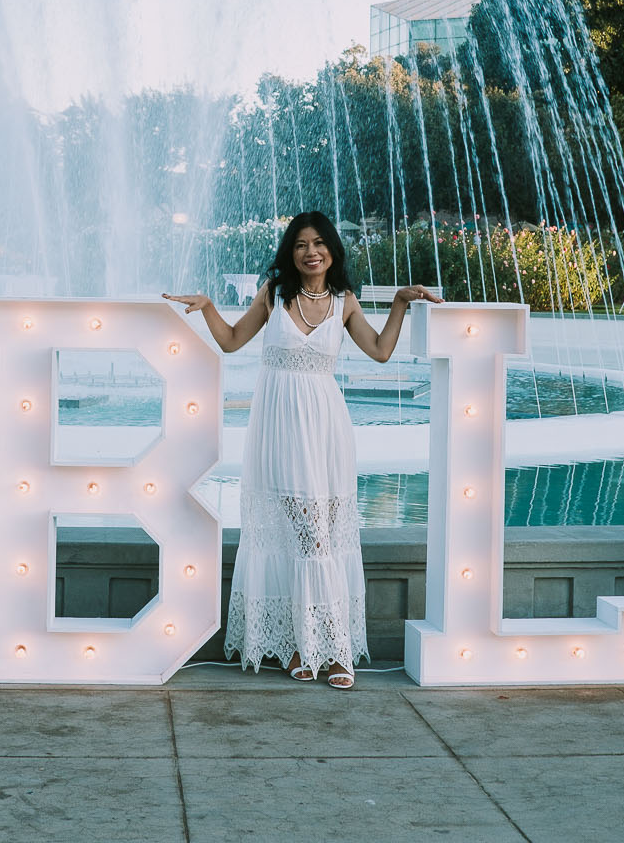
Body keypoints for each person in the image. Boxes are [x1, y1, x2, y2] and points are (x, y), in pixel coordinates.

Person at [165, 211, 438, 690]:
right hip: (279, 428)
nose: (310, 252)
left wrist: (398, 302)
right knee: (302, 538)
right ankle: (303, 646)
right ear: (290, 254)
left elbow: (379, 351)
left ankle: (330, 650)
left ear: (332, 249)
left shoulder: (344, 302)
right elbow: (230, 342)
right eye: (300, 245)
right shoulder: (274, 295)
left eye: (318, 243)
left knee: (326, 537)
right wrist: (209, 306)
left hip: (327, 428)